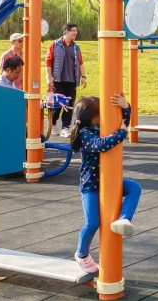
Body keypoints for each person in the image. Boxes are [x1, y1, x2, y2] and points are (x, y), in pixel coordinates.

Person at [71, 94, 142, 274]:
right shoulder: (85, 134)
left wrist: (126, 107)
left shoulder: (101, 127)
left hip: (108, 180)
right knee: (92, 223)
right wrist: (121, 133)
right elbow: (102, 145)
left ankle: (124, 218)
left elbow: (122, 122)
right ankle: (81, 254)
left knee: (134, 187)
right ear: (94, 117)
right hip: (91, 186)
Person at [46, 23, 87, 138]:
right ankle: (53, 123)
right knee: (58, 104)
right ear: (66, 32)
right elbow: (48, 62)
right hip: (58, 80)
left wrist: (83, 77)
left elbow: (80, 63)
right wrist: (49, 77)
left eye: (76, 30)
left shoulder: (76, 47)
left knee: (69, 105)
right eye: (73, 30)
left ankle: (65, 127)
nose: (75, 33)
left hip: (71, 80)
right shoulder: (55, 45)